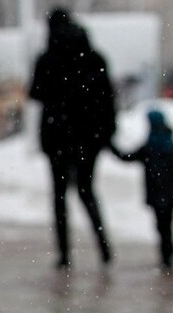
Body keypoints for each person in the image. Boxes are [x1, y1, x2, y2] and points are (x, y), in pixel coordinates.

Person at [29, 7, 116, 269]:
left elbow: (35, 93)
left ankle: (64, 255)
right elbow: (108, 98)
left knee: (59, 197)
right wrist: (107, 131)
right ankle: (103, 246)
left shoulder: (47, 59)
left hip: (57, 138)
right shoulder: (94, 57)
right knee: (87, 191)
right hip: (88, 138)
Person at [111, 110, 173, 270]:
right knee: (167, 226)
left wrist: (108, 144)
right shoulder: (172, 147)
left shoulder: (150, 147)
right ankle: (168, 257)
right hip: (169, 196)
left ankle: (166, 257)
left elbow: (126, 157)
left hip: (159, 195)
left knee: (162, 226)